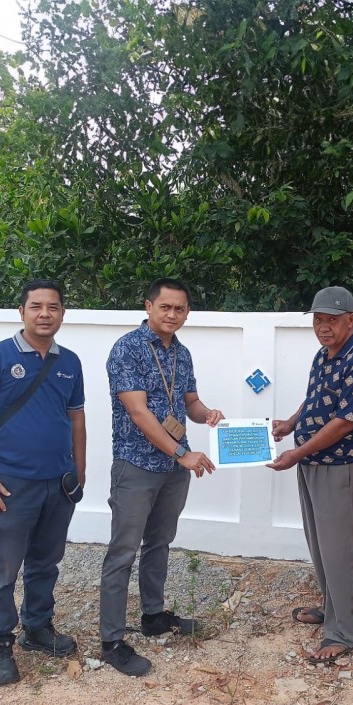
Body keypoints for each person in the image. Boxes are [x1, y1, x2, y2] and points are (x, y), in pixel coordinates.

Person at [0, 279, 86, 687]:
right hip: (9, 484)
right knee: (4, 567)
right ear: (22, 311)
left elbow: (76, 418)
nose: (45, 314)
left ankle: (37, 628)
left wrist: (79, 469)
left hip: (58, 482)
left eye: (53, 307)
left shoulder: (70, 362)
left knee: (46, 562)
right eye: (36, 306)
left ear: (62, 313)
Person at [99, 278, 224, 677]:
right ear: (148, 306)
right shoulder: (127, 349)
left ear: (187, 313)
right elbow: (138, 413)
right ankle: (112, 641)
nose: (172, 314)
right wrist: (183, 453)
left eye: (180, 309)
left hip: (173, 469)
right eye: (165, 307)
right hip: (137, 465)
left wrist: (208, 415)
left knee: (160, 543)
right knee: (123, 551)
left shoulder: (181, 354)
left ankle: (153, 616)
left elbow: (190, 402)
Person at [267, 286, 353, 664]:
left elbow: (345, 421)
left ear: (351, 320)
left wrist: (296, 453)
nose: (323, 327)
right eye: (318, 320)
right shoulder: (324, 355)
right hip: (313, 464)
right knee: (319, 546)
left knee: (338, 551)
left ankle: (343, 632)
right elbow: (315, 397)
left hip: (339, 468)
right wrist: (290, 423)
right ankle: (331, 610)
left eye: (332, 320)